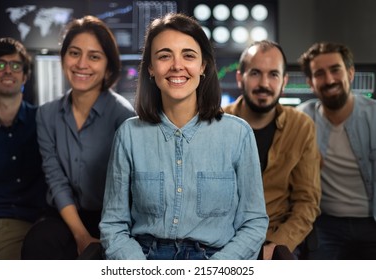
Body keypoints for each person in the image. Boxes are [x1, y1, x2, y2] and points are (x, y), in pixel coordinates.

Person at [99, 13, 268, 260]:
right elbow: (113, 225)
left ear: (203, 67)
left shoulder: (238, 134)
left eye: (188, 55)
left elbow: (253, 223)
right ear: (150, 69)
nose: (177, 65)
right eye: (165, 56)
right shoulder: (128, 135)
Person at [21, 15, 136, 260]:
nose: (81, 64)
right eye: (74, 53)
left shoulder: (124, 115)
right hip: (65, 213)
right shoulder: (46, 114)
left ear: (108, 66)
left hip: (113, 218)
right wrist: (81, 236)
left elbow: (127, 189)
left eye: (94, 56)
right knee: (39, 243)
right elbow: (56, 179)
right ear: (63, 58)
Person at [223, 40, 321, 260]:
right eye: (255, 73)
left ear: (284, 81)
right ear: (241, 77)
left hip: (277, 238)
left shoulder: (301, 126)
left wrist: (276, 247)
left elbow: (306, 202)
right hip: (225, 240)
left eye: (273, 75)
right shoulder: (216, 122)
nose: (264, 83)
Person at [297, 42, 376, 259]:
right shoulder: (301, 119)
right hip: (325, 224)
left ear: (350, 73)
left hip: (372, 222)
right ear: (310, 83)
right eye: (319, 74)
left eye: (335, 70)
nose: (329, 80)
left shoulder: (373, 115)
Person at [0, 37, 47, 259]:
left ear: (25, 75)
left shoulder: (45, 123)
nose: (8, 71)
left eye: (15, 66)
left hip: (26, 228)